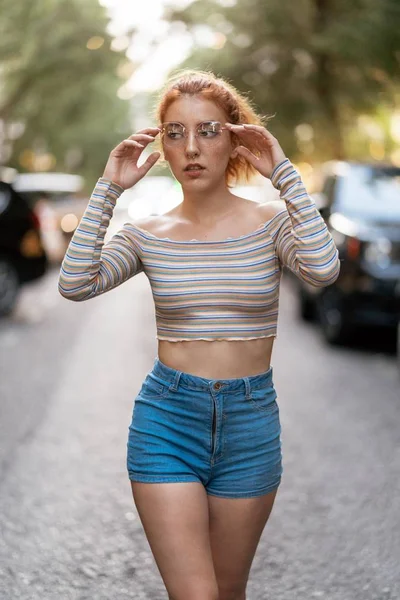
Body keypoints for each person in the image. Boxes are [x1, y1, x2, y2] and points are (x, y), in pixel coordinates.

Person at [58, 70, 340, 600]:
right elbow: (75, 283)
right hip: (168, 420)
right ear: (159, 146)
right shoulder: (148, 234)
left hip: (250, 423)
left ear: (236, 137)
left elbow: (323, 270)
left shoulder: (272, 224)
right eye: (175, 133)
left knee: (229, 591)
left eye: (209, 130)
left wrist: (284, 173)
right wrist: (108, 188)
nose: (192, 147)